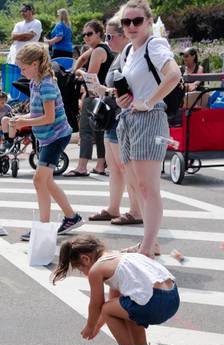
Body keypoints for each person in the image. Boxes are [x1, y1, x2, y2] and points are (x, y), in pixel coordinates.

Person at [115, 0, 182, 257]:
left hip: (151, 118)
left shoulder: (154, 44)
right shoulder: (129, 51)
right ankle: (149, 243)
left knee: (147, 186)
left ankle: (148, 247)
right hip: (131, 117)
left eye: (137, 21)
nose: (131, 26)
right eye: (126, 21)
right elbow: (135, 87)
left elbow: (173, 75)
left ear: (149, 23)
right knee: (136, 184)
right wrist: (126, 98)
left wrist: (149, 101)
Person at [0, 43, 83, 241]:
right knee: (47, 181)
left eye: (23, 67)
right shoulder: (36, 81)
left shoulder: (45, 84)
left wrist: (23, 121)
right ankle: (72, 217)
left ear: (35, 64)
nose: (21, 71)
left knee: (39, 180)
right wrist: (21, 119)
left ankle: (44, 228)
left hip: (56, 135)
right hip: (49, 136)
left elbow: (49, 117)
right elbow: (38, 114)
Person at [52, 235, 178, 345]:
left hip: (155, 303)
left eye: (81, 269)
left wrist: (90, 327)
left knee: (108, 308)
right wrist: (98, 326)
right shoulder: (119, 257)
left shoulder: (97, 270)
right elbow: (116, 305)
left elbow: (96, 305)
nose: (84, 274)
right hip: (172, 298)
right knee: (128, 305)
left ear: (86, 259)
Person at [87, 14, 144, 226]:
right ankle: (114, 207)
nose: (107, 41)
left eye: (110, 36)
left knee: (125, 166)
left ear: (123, 36)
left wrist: (106, 91)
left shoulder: (129, 56)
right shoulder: (121, 55)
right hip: (113, 116)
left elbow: (128, 90)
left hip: (122, 115)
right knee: (114, 164)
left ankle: (136, 209)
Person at [64, 20, 113, 177]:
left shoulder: (98, 51)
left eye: (89, 34)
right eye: (84, 34)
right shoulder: (102, 48)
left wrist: (79, 72)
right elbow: (82, 59)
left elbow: (90, 78)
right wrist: (78, 68)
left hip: (93, 95)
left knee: (85, 131)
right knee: (98, 132)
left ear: (99, 33)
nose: (86, 37)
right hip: (103, 96)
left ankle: (82, 166)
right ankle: (99, 166)